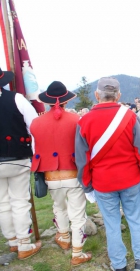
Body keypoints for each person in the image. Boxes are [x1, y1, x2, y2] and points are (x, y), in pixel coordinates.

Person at [76, 77, 140, 271]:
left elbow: (82, 159)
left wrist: (86, 186)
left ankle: (119, 265)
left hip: (103, 182)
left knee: (111, 225)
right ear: (118, 95)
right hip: (130, 179)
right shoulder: (129, 116)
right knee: (135, 220)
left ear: (97, 95)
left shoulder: (84, 121)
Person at [30, 81, 91, 265]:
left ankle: (63, 237)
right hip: (73, 173)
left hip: (50, 174)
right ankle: (77, 252)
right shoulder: (77, 120)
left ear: (48, 101)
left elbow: (35, 148)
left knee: (59, 207)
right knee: (78, 213)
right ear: (65, 100)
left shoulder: (36, 122)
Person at [0, 68, 41, 260]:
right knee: (19, 201)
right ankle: (24, 242)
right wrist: (34, 153)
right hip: (18, 158)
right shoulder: (16, 98)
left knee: (2, 203)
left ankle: (13, 242)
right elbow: (34, 126)